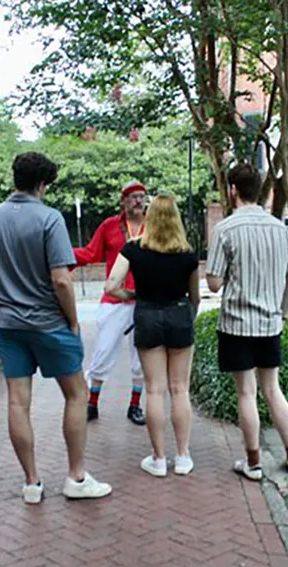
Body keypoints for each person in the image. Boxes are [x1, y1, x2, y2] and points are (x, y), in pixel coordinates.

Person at [0, 151, 112, 504]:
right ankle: (76, 477)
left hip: (8, 324)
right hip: (48, 322)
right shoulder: (50, 219)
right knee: (77, 394)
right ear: (42, 184)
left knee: (18, 402)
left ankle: (32, 483)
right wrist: (74, 321)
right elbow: (61, 280)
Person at [204, 163, 288, 481]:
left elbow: (214, 283)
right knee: (273, 390)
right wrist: (283, 314)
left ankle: (253, 463)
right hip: (270, 324)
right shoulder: (280, 228)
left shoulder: (225, 229)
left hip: (237, 324)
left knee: (246, 394)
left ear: (233, 190)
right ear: (258, 190)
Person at [105, 194, 200, 477]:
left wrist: (133, 295)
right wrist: (185, 317)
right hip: (179, 315)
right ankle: (182, 457)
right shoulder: (187, 253)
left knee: (154, 389)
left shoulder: (134, 249)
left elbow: (111, 285)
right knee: (179, 388)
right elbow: (194, 297)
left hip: (147, 316)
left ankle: (158, 459)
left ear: (149, 217)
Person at [71, 181, 149, 425]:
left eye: (141, 196)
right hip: (114, 299)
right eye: (132, 197)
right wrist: (61, 255)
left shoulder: (154, 225)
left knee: (141, 356)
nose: (138, 201)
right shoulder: (110, 226)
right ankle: (92, 404)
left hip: (145, 301)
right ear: (123, 201)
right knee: (103, 351)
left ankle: (135, 405)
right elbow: (91, 253)